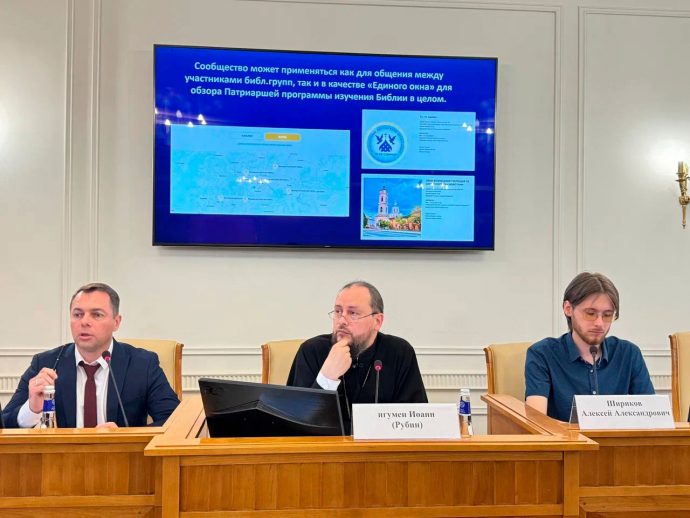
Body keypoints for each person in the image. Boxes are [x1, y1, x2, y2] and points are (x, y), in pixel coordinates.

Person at [2, 283, 180, 428]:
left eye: (96, 315)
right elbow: (4, 424)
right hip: (61, 460)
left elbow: (174, 421)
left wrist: (123, 437)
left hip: (121, 459)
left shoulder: (142, 364)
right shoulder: (45, 363)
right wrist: (32, 409)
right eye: (78, 314)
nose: (85, 322)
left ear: (116, 322)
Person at [287, 280, 427, 434]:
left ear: (377, 321)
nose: (341, 321)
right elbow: (294, 425)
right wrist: (327, 378)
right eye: (338, 311)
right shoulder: (312, 351)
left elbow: (416, 421)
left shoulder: (399, 352)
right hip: (326, 448)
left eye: (353, 313)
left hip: (381, 448)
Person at [525, 272, 654, 422]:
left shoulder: (629, 354)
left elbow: (651, 418)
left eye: (607, 315)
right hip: (563, 438)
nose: (599, 323)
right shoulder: (542, 354)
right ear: (568, 309)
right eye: (590, 313)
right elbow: (537, 423)